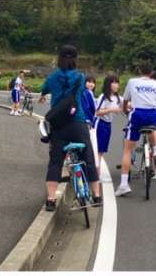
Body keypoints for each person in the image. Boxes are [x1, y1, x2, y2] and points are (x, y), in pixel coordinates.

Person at [39, 45, 101, 212]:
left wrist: (44, 94)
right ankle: (96, 196)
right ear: (75, 59)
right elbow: (82, 93)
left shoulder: (52, 77)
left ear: (59, 58)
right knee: (88, 158)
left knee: (55, 162)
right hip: (77, 123)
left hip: (58, 125)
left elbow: (44, 89)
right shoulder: (80, 77)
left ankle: (51, 199)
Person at [115, 59, 156, 197]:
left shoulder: (132, 82)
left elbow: (125, 100)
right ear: (151, 73)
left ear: (139, 71)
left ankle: (124, 185)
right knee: (153, 127)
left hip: (137, 114)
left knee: (128, 150)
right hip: (152, 114)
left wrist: (126, 110)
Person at [95, 74, 122, 177]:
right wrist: (111, 109)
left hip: (108, 125)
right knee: (98, 150)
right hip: (100, 124)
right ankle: (96, 175)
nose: (116, 85)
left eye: (117, 82)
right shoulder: (103, 97)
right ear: (108, 84)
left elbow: (127, 104)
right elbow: (97, 112)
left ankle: (96, 174)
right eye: (113, 82)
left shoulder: (117, 97)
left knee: (101, 150)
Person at [81, 75, 99, 168]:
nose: (91, 84)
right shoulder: (88, 93)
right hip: (87, 121)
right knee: (91, 144)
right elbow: (93, 109)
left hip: (82, 121)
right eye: (88, 82)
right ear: (84, 83)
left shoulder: (84, 92)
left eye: (93, 82)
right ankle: (92, 166)